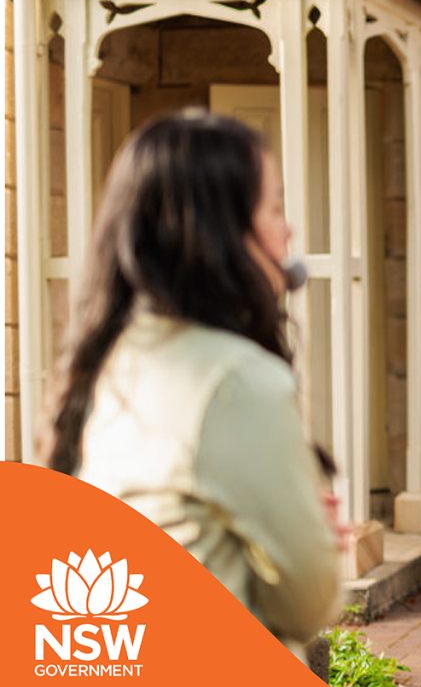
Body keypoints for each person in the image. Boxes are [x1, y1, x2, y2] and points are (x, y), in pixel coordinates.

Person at [36, 110, 342, 659]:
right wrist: (309, 534)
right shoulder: (236, 380)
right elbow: (308, 602)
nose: (289, 231)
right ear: (220, 230)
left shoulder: (113, 360)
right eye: (275, 208)